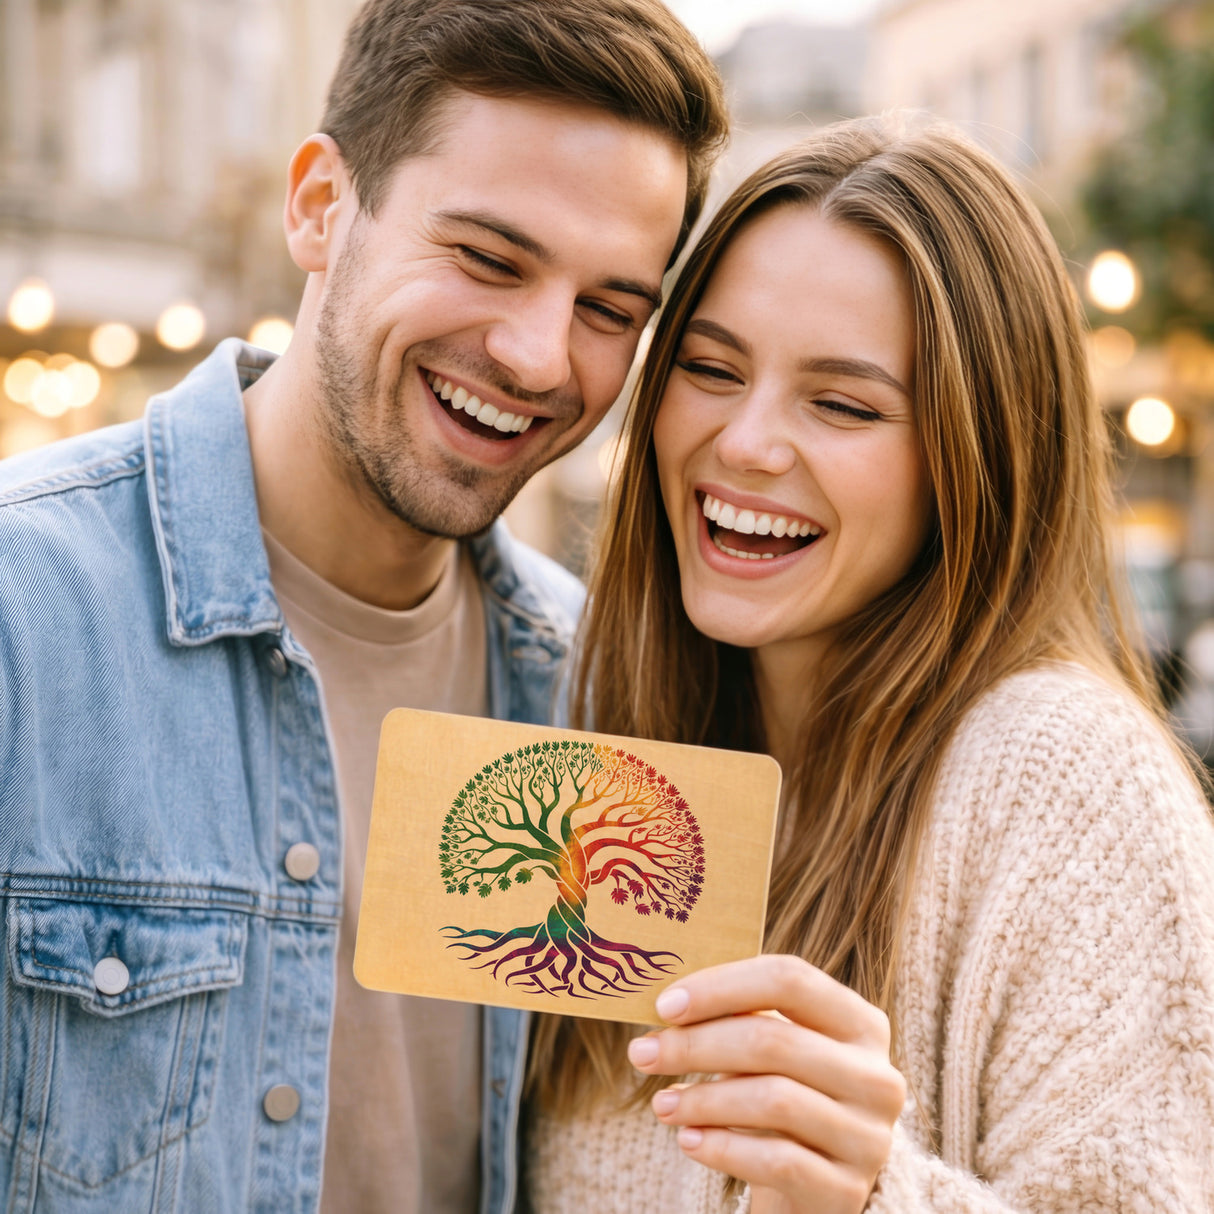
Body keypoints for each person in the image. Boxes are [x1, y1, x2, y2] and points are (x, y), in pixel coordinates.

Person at [0, 2, 727, 1211]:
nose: (540, 356)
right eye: (488, 257)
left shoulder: (596, 691)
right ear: (320, 206)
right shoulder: (25, 613)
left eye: (608, 309)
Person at [524, 115, 1214, 1213]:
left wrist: (870, 1194)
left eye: (841, 404)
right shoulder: (607, 736)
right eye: (710, 368)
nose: (745, 441)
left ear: (975, 456)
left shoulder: (1068, 783)